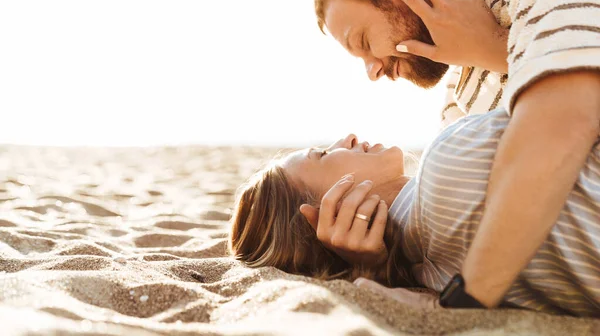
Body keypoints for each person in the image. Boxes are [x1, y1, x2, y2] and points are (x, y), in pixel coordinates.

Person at [313, 0, 600, 309]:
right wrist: (379, 265)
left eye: (364, 41)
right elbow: (499, 241)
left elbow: (564, 123)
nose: (373, 71)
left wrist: (497, 48)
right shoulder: (458, 102)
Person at [228, 111, 600, 317]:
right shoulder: (449, 160)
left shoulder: (435, 277)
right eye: (323, 155)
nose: (349, 138)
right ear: (328, 212)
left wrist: (373, 265)